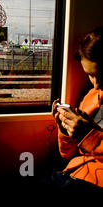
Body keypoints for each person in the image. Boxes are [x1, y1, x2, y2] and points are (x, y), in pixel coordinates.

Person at [51, 26, 103, 188]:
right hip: (73, 173)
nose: (96, 84)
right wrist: (66, 131)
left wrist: (88, 135)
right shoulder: (91, 97)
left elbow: (90, 142)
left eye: (101, 75)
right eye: (90, 75)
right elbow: (68, 154)